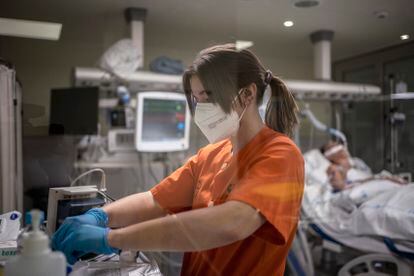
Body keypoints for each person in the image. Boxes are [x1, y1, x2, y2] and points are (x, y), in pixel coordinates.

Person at [52, 44, 305, 275]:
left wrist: (112, 239)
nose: (203, 107)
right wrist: (100, 216)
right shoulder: (211, 155)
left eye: (209, 95)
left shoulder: (280, 154)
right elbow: (155, 200)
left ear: (247, 94)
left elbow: (233, 222)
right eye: (198, 99)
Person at [321, 139, 407, 191]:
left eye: (337, 144)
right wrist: (377, 179)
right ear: (328, 156)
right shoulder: (334, 168)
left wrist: (381, 178)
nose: (339, 147)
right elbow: (343, 186)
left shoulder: (357, 162)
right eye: (332, 146)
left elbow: (368, 175)